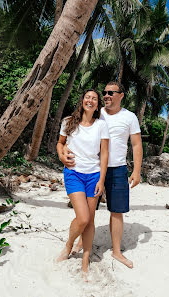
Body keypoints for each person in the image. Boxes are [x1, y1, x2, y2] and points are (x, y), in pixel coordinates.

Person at [61, 81, 142, 269]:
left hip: (118, 169)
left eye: (111, 92)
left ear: (121, 95)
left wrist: (137, 171)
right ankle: (81, 243)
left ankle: (116, 251)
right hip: (93, 169)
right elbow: (75, 133)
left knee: (117, 211)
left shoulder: (129, 117)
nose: (106, 95)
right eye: (104, 92)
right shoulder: (96, 112)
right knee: (89, 213)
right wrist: (63, 151)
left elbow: (137, 145)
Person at [56, 89, 110, 278]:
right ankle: (69, 244)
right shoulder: (68, 122)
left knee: (91, 220)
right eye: (88, 97)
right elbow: (60, 143)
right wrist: (62, 156)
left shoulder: (101, 126)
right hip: (73, 173)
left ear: (97, 105)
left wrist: (102, 180)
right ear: (83, 100)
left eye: (94, 99)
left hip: (94, 175)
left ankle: (85, 259)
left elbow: (104, 154)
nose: (90, 100)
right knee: (83, 218)